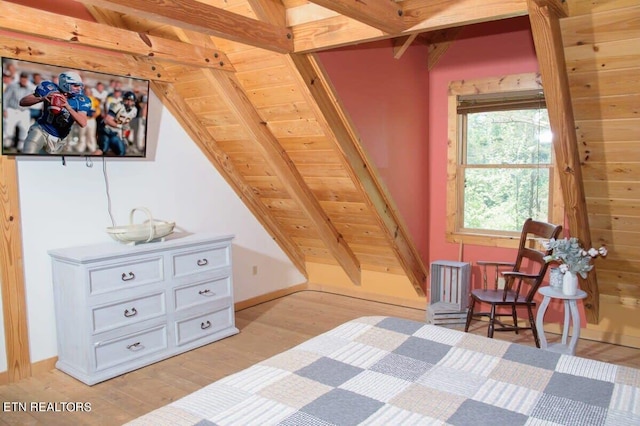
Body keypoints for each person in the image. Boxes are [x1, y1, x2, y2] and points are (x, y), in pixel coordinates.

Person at [19, 71, 92, 154]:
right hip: (41, 130)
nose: (79, 88)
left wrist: (68, 107)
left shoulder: (81, 100)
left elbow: (83, 123)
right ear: (65, 84)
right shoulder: (50, 89)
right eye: (75, 85)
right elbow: (22, 102)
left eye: (79, 85)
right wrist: (41, 98)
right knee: (28, 155)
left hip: (59, 139)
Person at [95, 90, 137, 156]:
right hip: (106, 129)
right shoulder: (118, 106)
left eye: (131, 101)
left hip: (115, 133)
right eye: (127, 100)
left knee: (121, 152)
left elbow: (125, 124)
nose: (129, 103)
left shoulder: (134, 111)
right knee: (102, 150)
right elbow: (107, 120)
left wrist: (123, 136)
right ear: (123, 99)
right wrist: (118, 126)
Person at [3, 72, 33, 152]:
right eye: (22, 77)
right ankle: (6, 145)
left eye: (25, 78)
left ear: (27, 79)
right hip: (13, 110)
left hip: (24, 111)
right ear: (20, 78)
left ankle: (20, 147)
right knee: (8, 129)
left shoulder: (30, 88)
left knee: (25, 129)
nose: (24, 79)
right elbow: (5, 98)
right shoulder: (13, 86)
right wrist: (4, 109)